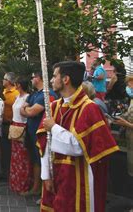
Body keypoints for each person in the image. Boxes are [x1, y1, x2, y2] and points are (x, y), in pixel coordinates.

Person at [38, 61, 119, 212]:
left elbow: (79, 146)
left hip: (78, 177)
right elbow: (45, 144)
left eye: (54, 76)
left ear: (65, 79)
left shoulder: (89, 109)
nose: (51, 80)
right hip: (55, 174)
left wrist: (54, 128)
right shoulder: (54, 107)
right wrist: (45, 175)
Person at [20, 71, 54, 196]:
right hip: (31, 133)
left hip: (42, 134)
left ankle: (43, 191)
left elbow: (31, 112)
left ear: (39, 78)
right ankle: (36, 188)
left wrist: (27, 109)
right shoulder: (34, 94)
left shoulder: (47, 94)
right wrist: (27, 109)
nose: (31, 80)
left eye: (33, 77)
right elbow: (22, 110)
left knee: (43, 161)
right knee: (35, 160)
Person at [9, 76, 32, 193]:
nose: (15, 85)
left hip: (22, 127)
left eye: (17, 84)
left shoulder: (27, 97)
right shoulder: (17, 97)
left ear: (20, 85)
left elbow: (26, 114)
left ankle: (23, 184)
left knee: (23, 157)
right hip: (14, 126)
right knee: (15, 157)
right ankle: (15, 183)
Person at [1, 72, 19, 178]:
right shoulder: (3, 91)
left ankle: (10, 172)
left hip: (11, 124)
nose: (2, 80)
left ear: (9, 81)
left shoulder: (16, 93)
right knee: (4, 150)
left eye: (4, 79)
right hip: (2, 124)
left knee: (10, 150)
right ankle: (4, 171)